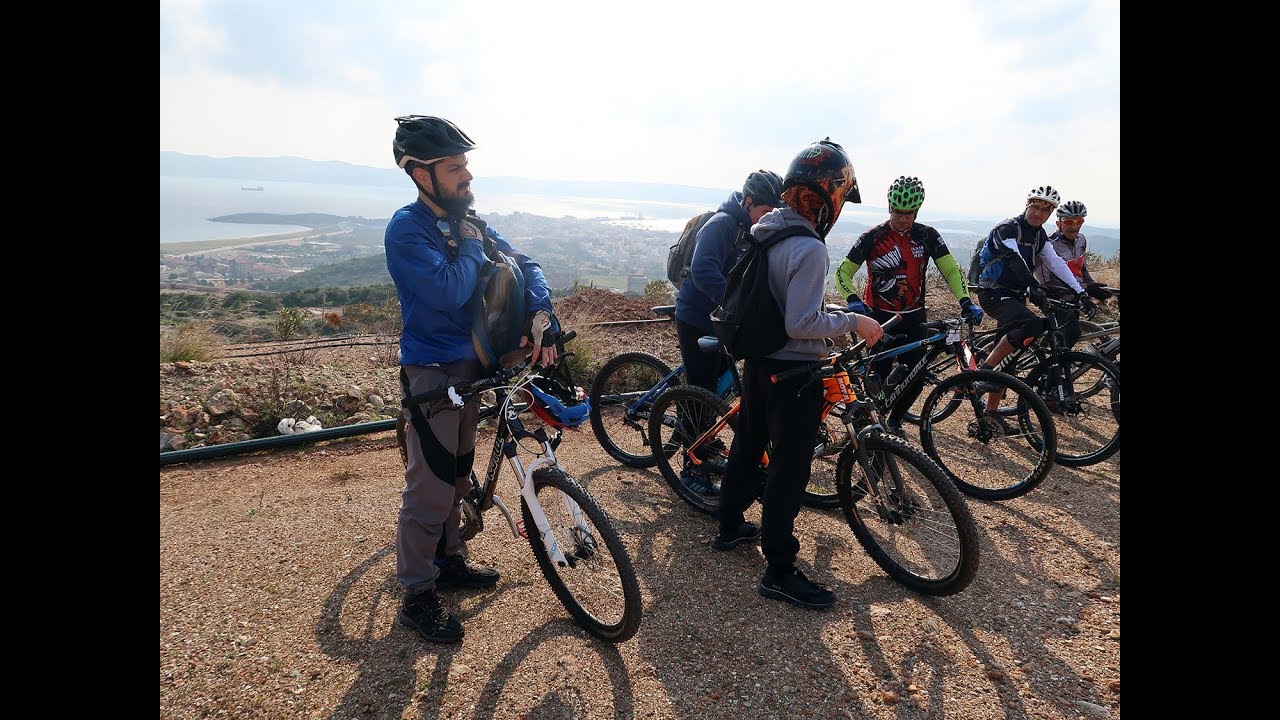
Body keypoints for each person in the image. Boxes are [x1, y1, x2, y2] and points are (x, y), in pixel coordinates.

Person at [385, 115, 559, 644]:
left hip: (474, 367)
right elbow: (447, 291)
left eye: (466, 166)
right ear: (420, 174)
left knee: (459, 475)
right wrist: (474, 250)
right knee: (430, 487)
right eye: (455, 167)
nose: (467, 177)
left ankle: (451, 559)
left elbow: (524, 262)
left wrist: (544, 309)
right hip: (433, 372)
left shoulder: (469, 222)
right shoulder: (406, 229)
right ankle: (417, 594)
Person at [714, 139, 884, 610]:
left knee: (748, 444)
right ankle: (780, 571)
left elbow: (786, 302)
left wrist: (829, 313)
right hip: (793, 372)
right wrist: (854, 321)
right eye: (840, 198)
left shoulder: (767, 228)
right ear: (828, 194)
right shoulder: (808, 247)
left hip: (760, 360)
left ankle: (728, 526)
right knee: (789, 469)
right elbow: (801, 323)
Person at [832, 176, 983, 434]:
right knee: (878, 376)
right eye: (898, 212)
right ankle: (869, 421)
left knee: (915, 376)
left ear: (917, 211)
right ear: (889, 208)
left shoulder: (927, 236)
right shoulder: (873, 236)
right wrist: (853, 300)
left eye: (909, 213)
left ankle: (894, 422)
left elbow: (949, 270)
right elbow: (842, 272)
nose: (903, 219)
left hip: (914, 317)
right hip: (879, 317)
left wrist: (966, 301)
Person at [673, 170, 784, 495]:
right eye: (764, 212)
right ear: (748, 202)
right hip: (696, 316)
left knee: (719, 387)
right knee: (701, 390)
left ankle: (701, 431)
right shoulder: (723, 224)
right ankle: (691, 470)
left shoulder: (749, 227)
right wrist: (737, 307)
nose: (766, 219)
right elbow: (704, 269)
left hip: (723, 321)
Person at [971, 185, 1096, 418]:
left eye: (1044, 210)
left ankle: (990, 413)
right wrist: (1032, 285)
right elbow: (1014, 259)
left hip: (1014, 295)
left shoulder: (1038, 234)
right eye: (1035, 207)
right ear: (1027, 205)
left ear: (1050, 215)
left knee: (1009, 354)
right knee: (1030, 324)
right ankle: (986, 370)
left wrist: (1081, 293)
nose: (1038, 213)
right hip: (993, 291)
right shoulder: (1007, 228)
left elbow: (1056, 263)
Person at [1033, 200, 1113, 347]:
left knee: (1066, 341)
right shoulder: (1048, 244)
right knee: (1071, 334)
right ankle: (1048, 368)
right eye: (1069, 222)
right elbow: (1047, 282)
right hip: (1054, 299)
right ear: (1059, 224)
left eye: (1079, 221)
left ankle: (1060, 365)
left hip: (1075, 296)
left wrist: (1091, 286)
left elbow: (1081, 268)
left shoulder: (1081, 240)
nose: (1074, 226)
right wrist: (1085, 288)